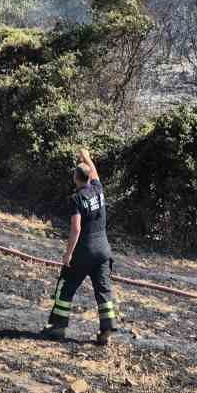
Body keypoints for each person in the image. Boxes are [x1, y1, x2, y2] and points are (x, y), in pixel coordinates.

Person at [42, 148, 119, 346]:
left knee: (66, 285)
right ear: (89, 177)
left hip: (85, 250)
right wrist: (87, 157)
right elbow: (94, 172)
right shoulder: (98, 188)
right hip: (103, 250)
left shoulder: (76, 199)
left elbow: (76, 229)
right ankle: (107, 329)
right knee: (103, 290)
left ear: (76, 178)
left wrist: (68, 254)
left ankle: (58, 328)